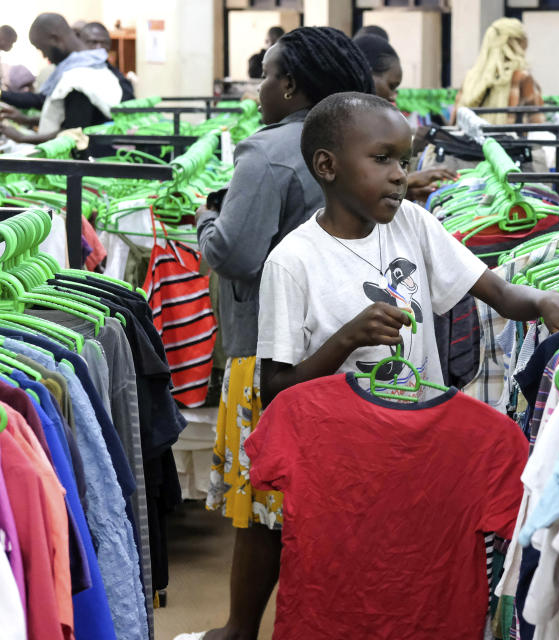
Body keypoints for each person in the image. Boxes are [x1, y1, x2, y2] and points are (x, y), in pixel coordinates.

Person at [174, 26, 375, 640]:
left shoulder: (266, 152)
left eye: (265, 75)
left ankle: (240, 628)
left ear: (289, 84)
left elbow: (235, 254)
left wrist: (208, 217)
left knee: (262, 499)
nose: (258, 88)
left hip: (267, 346)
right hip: (343, 339)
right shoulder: (365, 138)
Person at [257, 90, 559, 414]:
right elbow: (274, 392)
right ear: (327, 166)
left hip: (421, 444)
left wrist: (542, 301)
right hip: (344, 455)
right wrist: (348, 338)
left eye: (404, 162)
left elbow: (499, 292)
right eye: (382, 159)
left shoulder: (412, 222)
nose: (399, 176)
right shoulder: (292, 263)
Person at [355, 34, 457, 202]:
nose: (393, 95)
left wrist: (408, 194)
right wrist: (409, 180)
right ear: (367, 74)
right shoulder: (345, 127)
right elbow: (350, 190)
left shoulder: (366, 122)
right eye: (391, 86)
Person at [0, 13, 122, 144]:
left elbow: (73, 133)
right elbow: (62, 112)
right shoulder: (90, 65)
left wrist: (22, 138)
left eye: (42, 48)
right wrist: (25, 119)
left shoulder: (80, 77)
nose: (44, 55)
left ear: (54, 39)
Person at [454, 17, 544, 125]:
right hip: (506, 141)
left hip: (467, 142)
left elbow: (455, 122)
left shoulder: (470, 78)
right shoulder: (522, 78)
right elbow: (537, 124)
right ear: (518, 44)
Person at [78, 21, 135, 101]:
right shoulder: (72, 74)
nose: (99, 48)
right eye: (93, 42)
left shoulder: (119, 80)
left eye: (104, 43)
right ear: (80, 43)